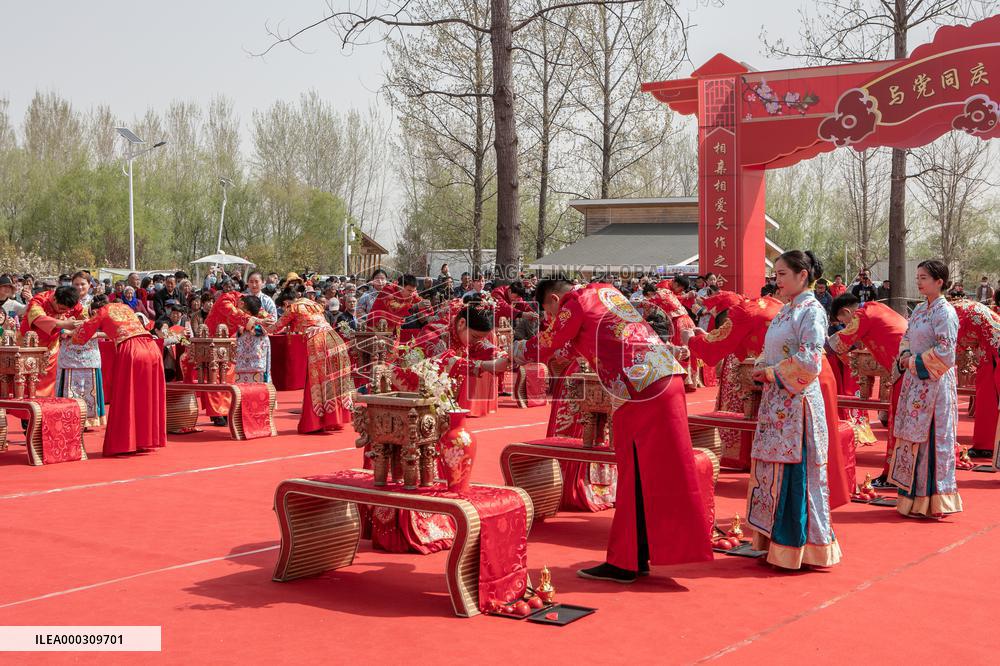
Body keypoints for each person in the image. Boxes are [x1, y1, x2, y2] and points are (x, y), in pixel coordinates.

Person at [513, 278, 711, 582]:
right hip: (665, 377)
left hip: (640, 387)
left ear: (553, 299)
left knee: (633, 473)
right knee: (655, 472)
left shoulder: (573, 304)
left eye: (548, 311)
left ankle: (625, 561)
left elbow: (547, 342)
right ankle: (639, 554)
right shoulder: (606, 291)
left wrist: (511, 356)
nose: (551, 317)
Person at [747, 250, 840, 570]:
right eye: (776, 274)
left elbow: (811, 360)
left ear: (803, 275)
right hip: (777, 402)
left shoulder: (811, 311)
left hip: (797, 405)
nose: (777, 279)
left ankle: (796, 546)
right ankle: (774, 541)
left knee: (795, 474)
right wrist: (761, 365)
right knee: (773, 470)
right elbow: (770, 348)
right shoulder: (786, 310)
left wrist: (772, 372)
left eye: (782, 273)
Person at [888, 259, 962, 518]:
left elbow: (946, 352)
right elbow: (906, 337)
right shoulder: (919, 309)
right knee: (911, 438)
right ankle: (911, 498)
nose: (918, 281)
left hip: (934, 385)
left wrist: (915, 362)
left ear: (939, 282)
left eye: (923, 278)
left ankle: (932, 501)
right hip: (914, 381)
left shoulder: (945, 313)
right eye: (917, 277)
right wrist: (906, 355)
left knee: (932, 441)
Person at [826, 293, 908, 486]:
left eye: (844, 321)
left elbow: (839, 342)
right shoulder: (876, 308)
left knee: (899, 423)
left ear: (847, 312)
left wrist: (811, 349)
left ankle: (895, 476)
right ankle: (901, 474)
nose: (846, 325)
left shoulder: (863, 315)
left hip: (906, 371)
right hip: (907, 369)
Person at [70, 295, 165, 455]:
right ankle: (145, 440)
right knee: (145, 397)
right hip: (152, 348)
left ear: (94, 310)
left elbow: (80, 337)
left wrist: (68, 331)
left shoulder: (100, 312)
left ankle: (124, 443)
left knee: (125, 395)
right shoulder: (125, 308)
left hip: (132, 350)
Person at [271, 294, 354, 434]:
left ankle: (314, 423)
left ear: (285, 302)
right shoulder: (314, 305)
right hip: (335, 340)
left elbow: (275, 328)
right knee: (333, 380)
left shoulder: (293, 307)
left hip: (319, 342)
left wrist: (255, 324)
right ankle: (334, 419)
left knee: (316, 381)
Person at [56, 272, 107, 428]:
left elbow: (108, 328)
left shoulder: (96, 303)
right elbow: (55, 324)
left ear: (90, 285)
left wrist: (94, 333)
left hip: (89, 353)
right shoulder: (64, 301)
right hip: (68, 352)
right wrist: (65, 332)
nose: (79, 287)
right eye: (76, 284)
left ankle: (88, 418)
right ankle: (68, 417)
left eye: (82, 284)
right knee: (67, 386)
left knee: (88, 387)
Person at [951, 299, 1000, 459]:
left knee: (988, 399)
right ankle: (987, 445)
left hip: (993, 355)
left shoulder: (952, 312)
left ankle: (987, 446)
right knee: (987, 399)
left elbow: (952, 344)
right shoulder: (959, 308)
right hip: (989, 353)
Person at [19, 286, 84, 396]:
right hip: (28, 346)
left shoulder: (74, 303)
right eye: (62, 309)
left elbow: (82, 316)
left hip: (51, 348)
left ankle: (45, 408)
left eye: (67, 310)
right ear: (54, 299)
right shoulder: (39, 300)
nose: (64, 312)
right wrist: (65, 324)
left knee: (48, 381)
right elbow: (39, 319)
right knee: (25, 380)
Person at [234, 295, 272, 383]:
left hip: (259, 347)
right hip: (242, 349)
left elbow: (268, 327)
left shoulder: (264, 315)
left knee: (260, 371)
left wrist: (250, 328)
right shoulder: (240, 315)